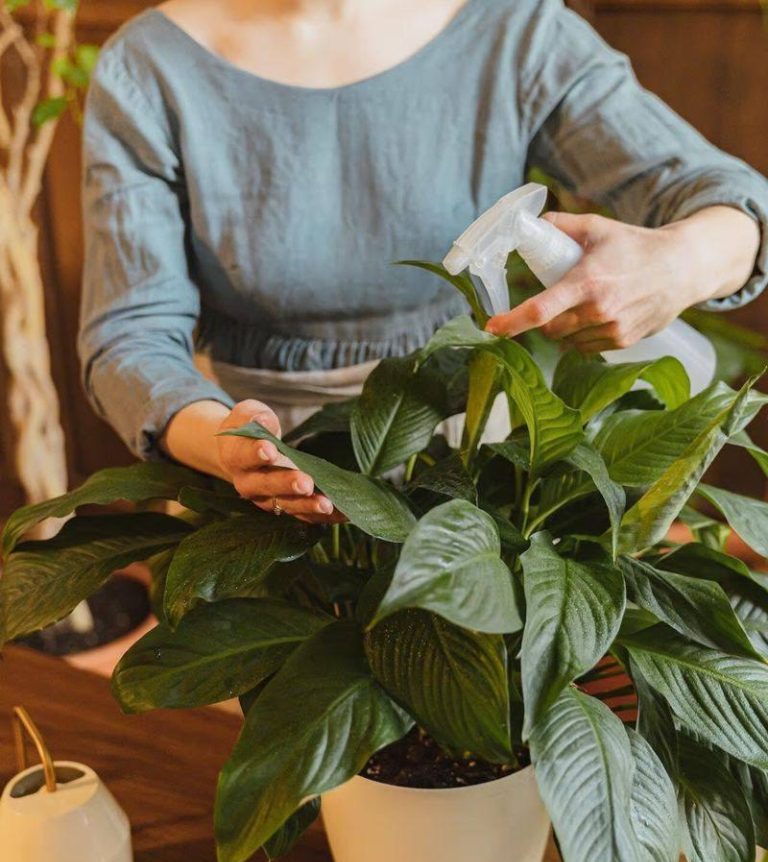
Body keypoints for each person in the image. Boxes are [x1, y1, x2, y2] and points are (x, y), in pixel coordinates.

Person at [79, 0, 768, 523]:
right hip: (257, 476)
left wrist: (680, 262)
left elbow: (730, 202)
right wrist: (226, 444)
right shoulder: (149, 68)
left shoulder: (514, 30)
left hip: (477, 475)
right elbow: (128, 336)